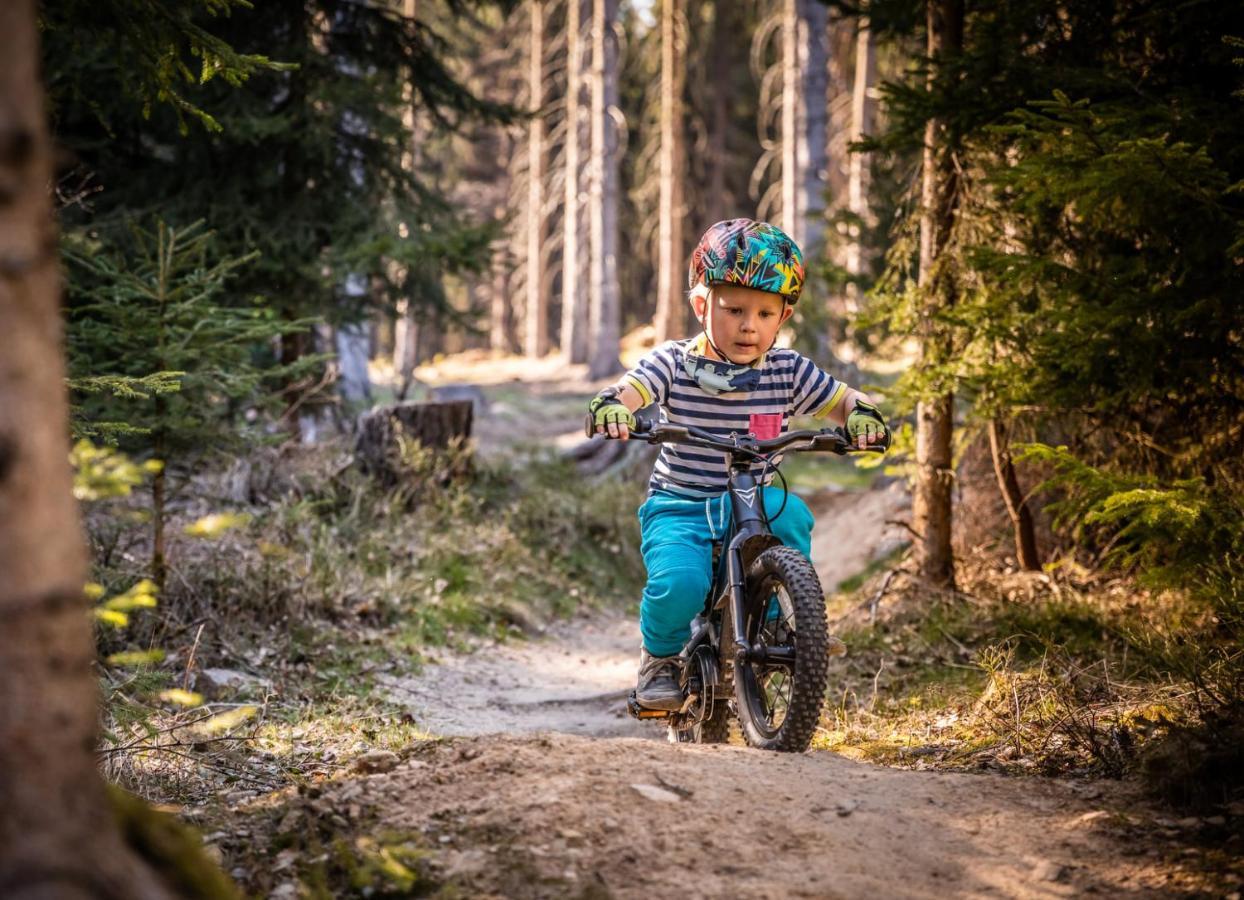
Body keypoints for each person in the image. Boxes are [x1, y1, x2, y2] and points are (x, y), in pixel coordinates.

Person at [585, 218, 890, 710]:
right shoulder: (673, 363)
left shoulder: (786, 370)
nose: (750, 325)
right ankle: (659, 660)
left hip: (753, 503)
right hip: (680, 505)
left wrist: (863, 415)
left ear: (784, 316)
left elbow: (842, 399)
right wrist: (615, 406)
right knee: (678, 584)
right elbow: (631, 389)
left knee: (791, 516)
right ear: (702, 305)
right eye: (734, 309)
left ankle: (784, 618)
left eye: (766, 313)